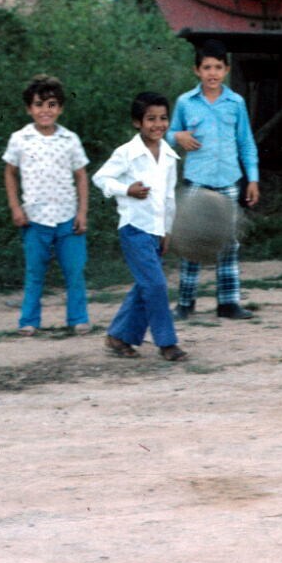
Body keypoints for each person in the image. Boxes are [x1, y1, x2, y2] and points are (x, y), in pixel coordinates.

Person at [92, 92, 187, 362]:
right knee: (155, 285)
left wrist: (168, 230)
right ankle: (167, 343)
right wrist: (126, 190)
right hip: (134, 228)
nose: (158, 125)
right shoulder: (127, 153)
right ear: (137, 122)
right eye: (151, 119)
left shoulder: (168, 156)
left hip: (157, 231)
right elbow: (101, 178)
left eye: (163, 118)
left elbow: (168, 197)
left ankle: (118, 336)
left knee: (145, 286)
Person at [169, 39, 259, 321]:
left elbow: (245, 142)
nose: (212, 73)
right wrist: (178, 136)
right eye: (207, 67)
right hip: (197, 180)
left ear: (226, 70)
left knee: (229, 243)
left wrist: (253, 179)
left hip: (229, 181)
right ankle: (185, 304)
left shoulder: (235, 103)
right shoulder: (186, 102)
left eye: (218, 67)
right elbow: (167, 133)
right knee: (192, 242)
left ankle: (228, 303)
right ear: (196, 70)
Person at [2, 74, 91, 338]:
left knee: (74, 271)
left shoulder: (70, 139)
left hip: (67, 216)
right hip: (35, 218)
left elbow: (81, 175)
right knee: (35, 272)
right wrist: (15, 208)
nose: (45, 111)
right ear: (29, 108)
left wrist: (82, 212)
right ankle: (29, 320)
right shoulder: (20, 139)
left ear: (60, 108)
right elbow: (10, 173)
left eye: (51, 105)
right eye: (39, 104)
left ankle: (78, 318)